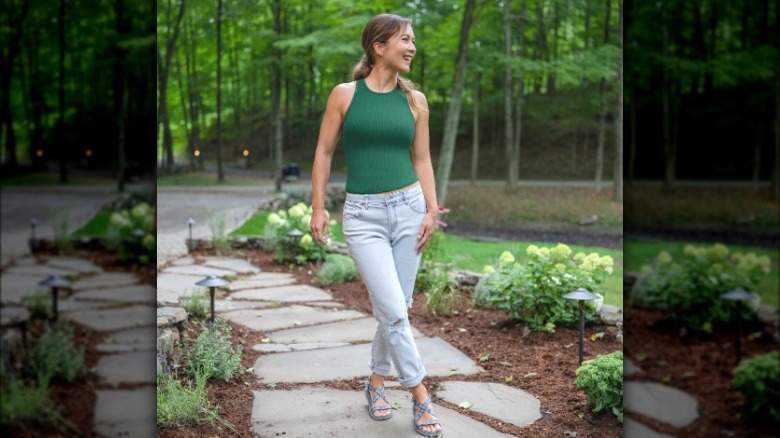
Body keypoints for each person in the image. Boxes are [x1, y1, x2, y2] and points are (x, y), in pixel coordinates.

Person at [309, 13, 443, 438]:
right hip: (363, 217)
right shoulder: (345, 95)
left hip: (409, 209)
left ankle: (377, 382)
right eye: (405, 39)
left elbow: (421, 159)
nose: (412, 46)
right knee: (393, 308)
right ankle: (421, 395)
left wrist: (431, 210)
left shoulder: (415, 101)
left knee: (396, 308)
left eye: (414, 39)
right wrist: (317, 206)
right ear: (378, 46)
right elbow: (324, 153)